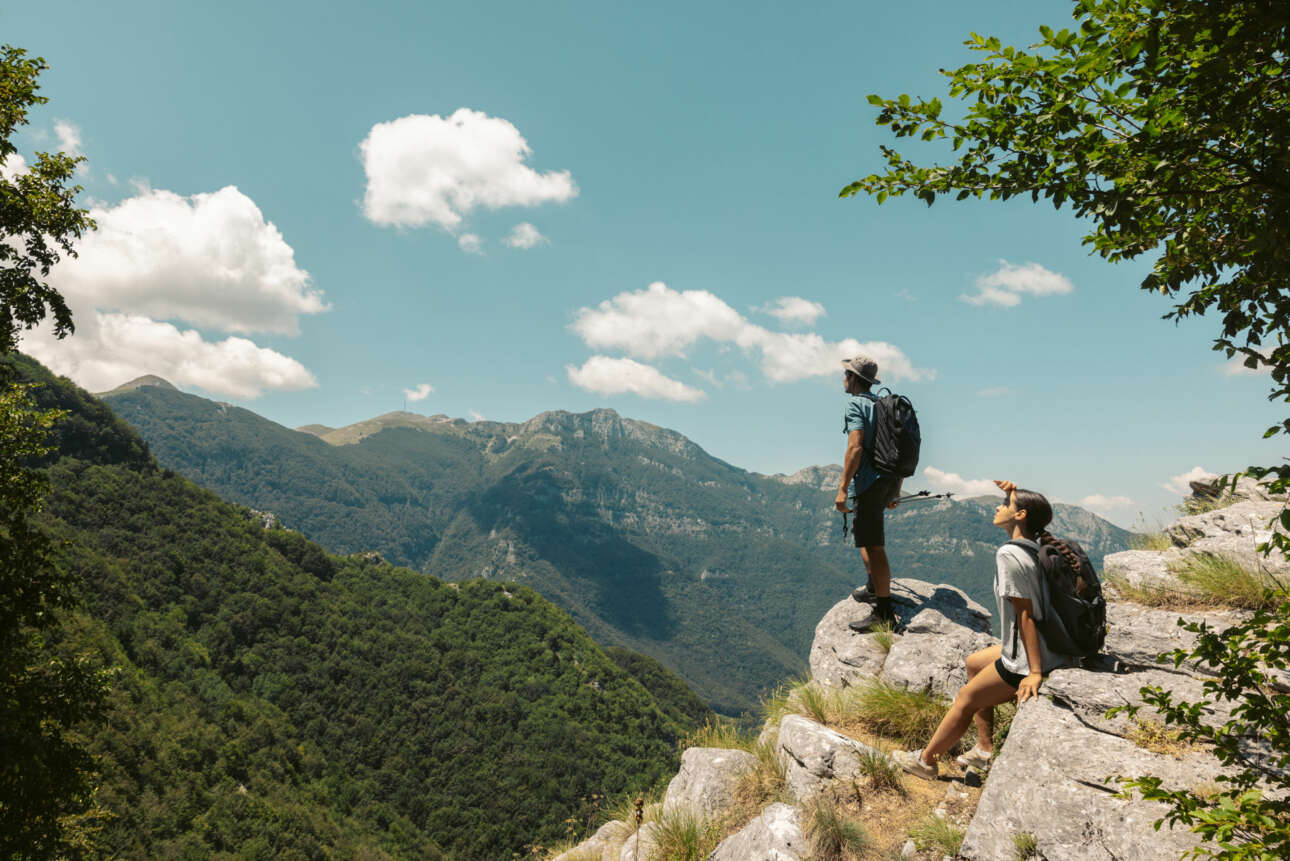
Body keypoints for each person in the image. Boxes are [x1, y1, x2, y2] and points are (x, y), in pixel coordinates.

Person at [890, 479, 1080, 779]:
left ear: (1021, 515)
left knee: (966, 699)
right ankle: (984, 749)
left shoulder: (1009, 555)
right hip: (1049, 644)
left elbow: (1025, 615)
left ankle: (926, 762)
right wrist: (1012, 493)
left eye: (1005, 505)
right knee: (974, 663)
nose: (998, 508)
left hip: (1027, 658)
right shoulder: (1034, 547)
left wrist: (1034, 672)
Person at [835, 355, 902, 629]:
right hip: (886, 481)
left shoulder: (856, 405)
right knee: (864, 536)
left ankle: (884, 613)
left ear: (853, 378)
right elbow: (898, 450)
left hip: (867, 482)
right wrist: (895, 489)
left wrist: (842, 488)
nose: (843, 379)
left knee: (874, 546)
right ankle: (874, 587)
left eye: (846, 374)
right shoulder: (884, 406)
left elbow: (855, 446)